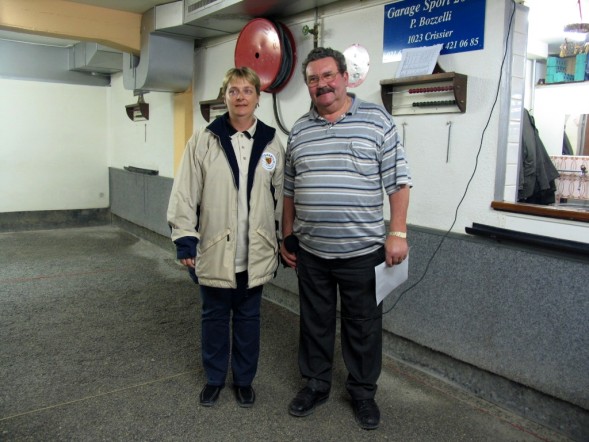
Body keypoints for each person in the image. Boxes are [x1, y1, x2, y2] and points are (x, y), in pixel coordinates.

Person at [280, 47, 411, 430]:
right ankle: (316, 384)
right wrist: (287, 234)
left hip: (363, 251)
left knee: (363, 325)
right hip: (312, 252)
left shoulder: (377, 120)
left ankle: (363, 393)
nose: (321, 84)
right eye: (313, 79)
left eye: (327, 76)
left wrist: (397, 232)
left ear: (344, 77)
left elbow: (398, 181)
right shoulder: (299, 130)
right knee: (314, 323)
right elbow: (289, 189)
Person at [167, 67, 284, 408]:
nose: (240, 97)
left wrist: (284, 239)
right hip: (215, 249)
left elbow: (282, 196)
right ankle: (215, 378)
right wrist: (185, 239)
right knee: (214, 319)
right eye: (233, 91)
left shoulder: (272, 142)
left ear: (258, 98)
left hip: (255, 251)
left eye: (247, 90)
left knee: (248, 321)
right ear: (225, 97)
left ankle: (244, 380)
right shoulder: (204, 140)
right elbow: (185, 193)